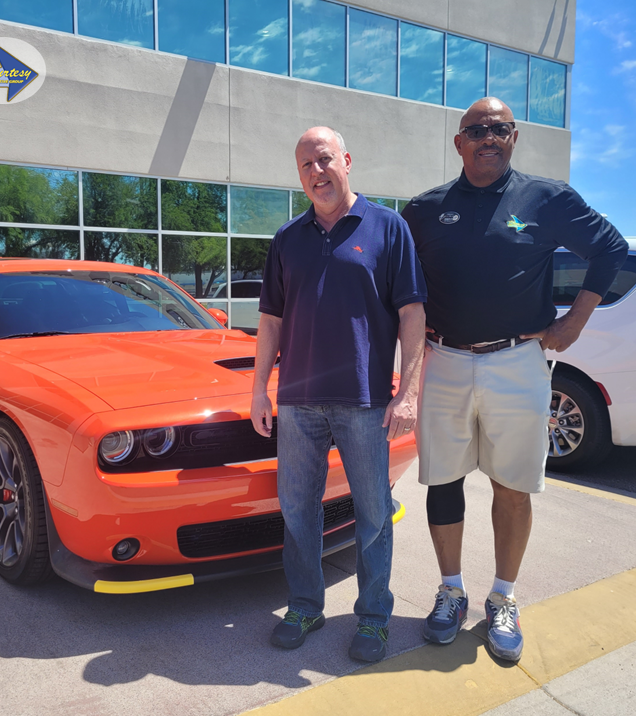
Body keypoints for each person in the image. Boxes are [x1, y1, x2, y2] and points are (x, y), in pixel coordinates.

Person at [401, 97, 628, 663]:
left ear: (514, 136)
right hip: (445, 359)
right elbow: (397, 282)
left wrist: (574, 321)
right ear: (458, 142)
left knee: (513, 484)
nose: (488, 137)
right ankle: (450, 591)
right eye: (476, 130)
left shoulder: (546, 199)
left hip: (518, 361)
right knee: (444, 481)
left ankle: (503, 598)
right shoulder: (425, 210)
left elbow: (611, 249)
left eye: (499, 129)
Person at [250, 127, 427, 662]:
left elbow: (413, 314)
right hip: (298, 401)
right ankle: (305, 604)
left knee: (373, 514)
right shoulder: (288, 238)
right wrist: (259, 387)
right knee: (298, 510)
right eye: (305, 165)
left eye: (323, 159)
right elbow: (270, 320)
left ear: (346, 160)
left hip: (365, 400)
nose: (315, 172)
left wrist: (409, 391)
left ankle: (373, 617)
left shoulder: (387, 228)